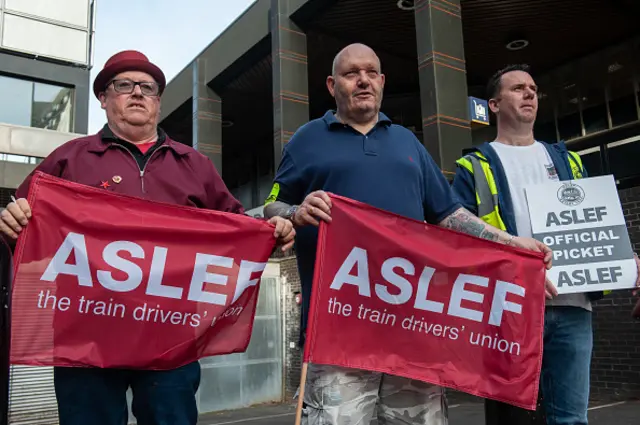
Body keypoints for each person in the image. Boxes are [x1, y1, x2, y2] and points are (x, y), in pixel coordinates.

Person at [0, 50, 295, 425]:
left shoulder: (194, 165)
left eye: (147, 87)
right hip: (86, 334)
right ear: (104, 99)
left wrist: (274, 232)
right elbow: (22, 226)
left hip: (171, 337)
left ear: (157, 100)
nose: (137, 93)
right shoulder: (69, 160)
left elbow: (239, 230)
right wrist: (9, 221)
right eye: (124, 85)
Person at [264, 44, 554, 425]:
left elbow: (450, 215)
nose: (363, 80)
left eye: (371, 72)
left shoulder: (407, 142)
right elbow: (273, 204)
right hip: (338, 331)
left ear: (383, 82)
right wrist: (294, 212)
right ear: (333, 85)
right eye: (352, 74)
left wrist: (513, 244)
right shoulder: (306, 139)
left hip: (412, 331)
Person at [451, 64, 640, 425]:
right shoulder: (473, 166)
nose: (529, 94)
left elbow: (594, 222)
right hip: (510, 311)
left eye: (534, 89)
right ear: (493, 104)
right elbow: (455, 236)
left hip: (572, 308)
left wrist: (624, 257)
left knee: (571, 419)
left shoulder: (569, 161)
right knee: (512, 419)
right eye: (518, 88)